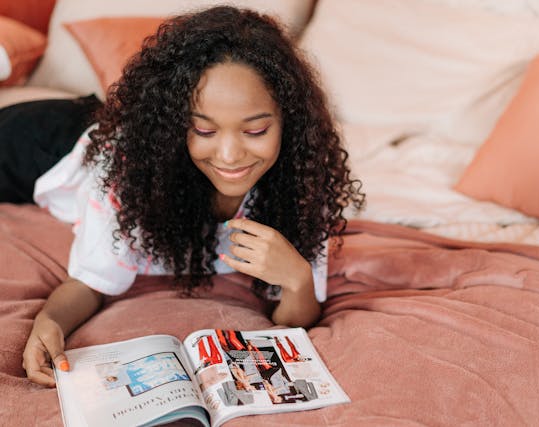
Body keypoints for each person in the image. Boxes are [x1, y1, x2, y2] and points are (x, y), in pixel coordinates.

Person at [21, 5, 364, 387]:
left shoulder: (301, 181)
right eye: (203, 130)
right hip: (43, 145)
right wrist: (49, 321)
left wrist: (298, 279)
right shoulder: (128, 172)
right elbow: (89, 281)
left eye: (255, 131)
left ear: (290, 123)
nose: (230, 155)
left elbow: (296, 317)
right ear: (174, 127)